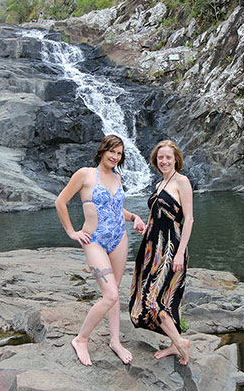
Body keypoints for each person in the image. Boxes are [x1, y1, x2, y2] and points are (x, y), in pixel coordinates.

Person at [55, 134, 146, 366]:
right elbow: (60, 202)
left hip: (119, 238)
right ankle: (81, 339)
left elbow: (118, 210)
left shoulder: (117, 177)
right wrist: (71, 232)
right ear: (103, 150)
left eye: (119, 153)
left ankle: (115, 341)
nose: (115, 156)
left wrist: (134, 217)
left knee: (115, 292)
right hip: (94, 240)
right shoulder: (85, 174)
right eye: (112, 151)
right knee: (110, 295)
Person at [129, 139, 194, 365]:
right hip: (152, 247)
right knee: (165, 299)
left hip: (170, 249)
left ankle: (179, 344)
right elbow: (157, 218)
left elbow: (189, 219)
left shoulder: (182, 181)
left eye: (168, 157)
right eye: (160, 158)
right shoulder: (159, 185)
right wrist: (144, 228)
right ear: (155, 161)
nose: (164, 161)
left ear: (176, 159)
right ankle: (173, 345)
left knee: (152, 298)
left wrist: (180, 253)